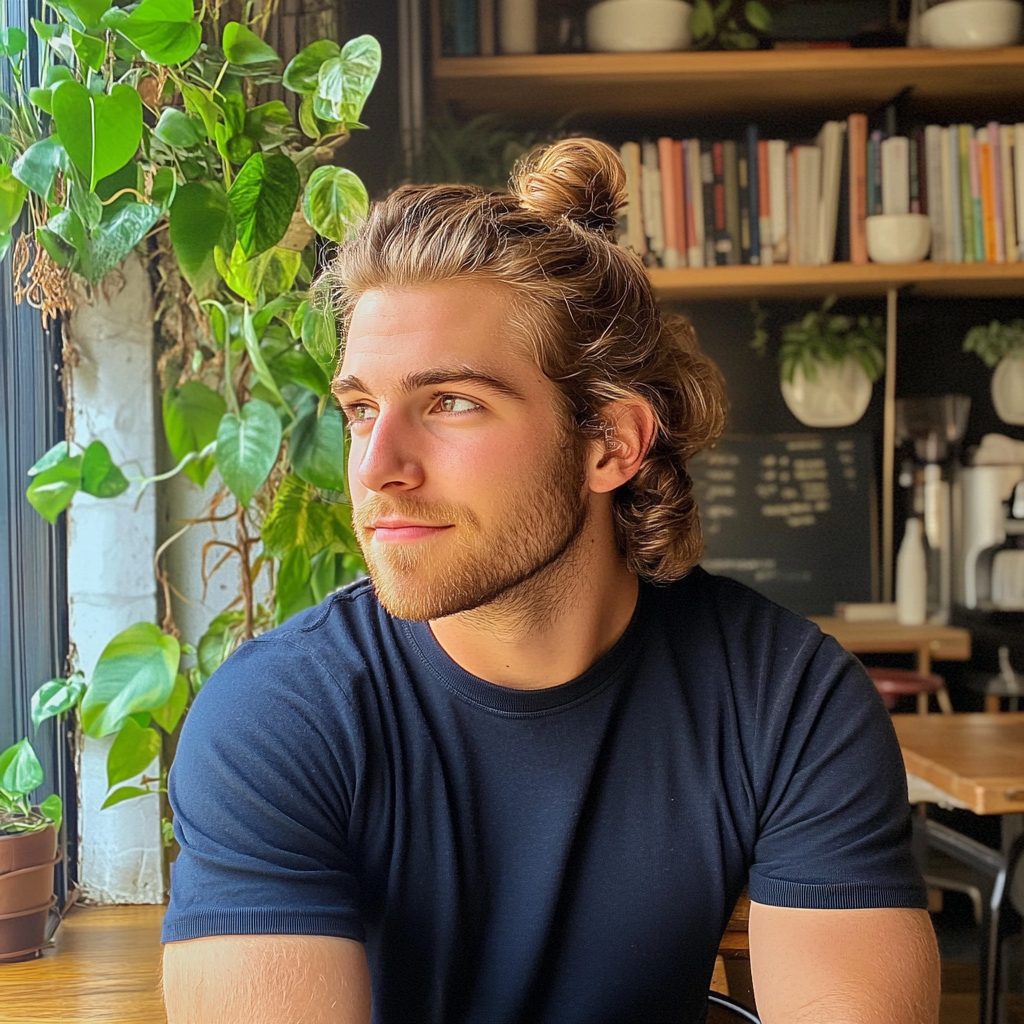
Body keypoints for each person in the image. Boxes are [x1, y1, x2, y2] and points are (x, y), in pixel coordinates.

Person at [161, 138, 940, 1024]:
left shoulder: (785, 697)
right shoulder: (278, 718)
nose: (377, 467)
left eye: (452, 401)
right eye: (361, 409)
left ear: (611, 443)